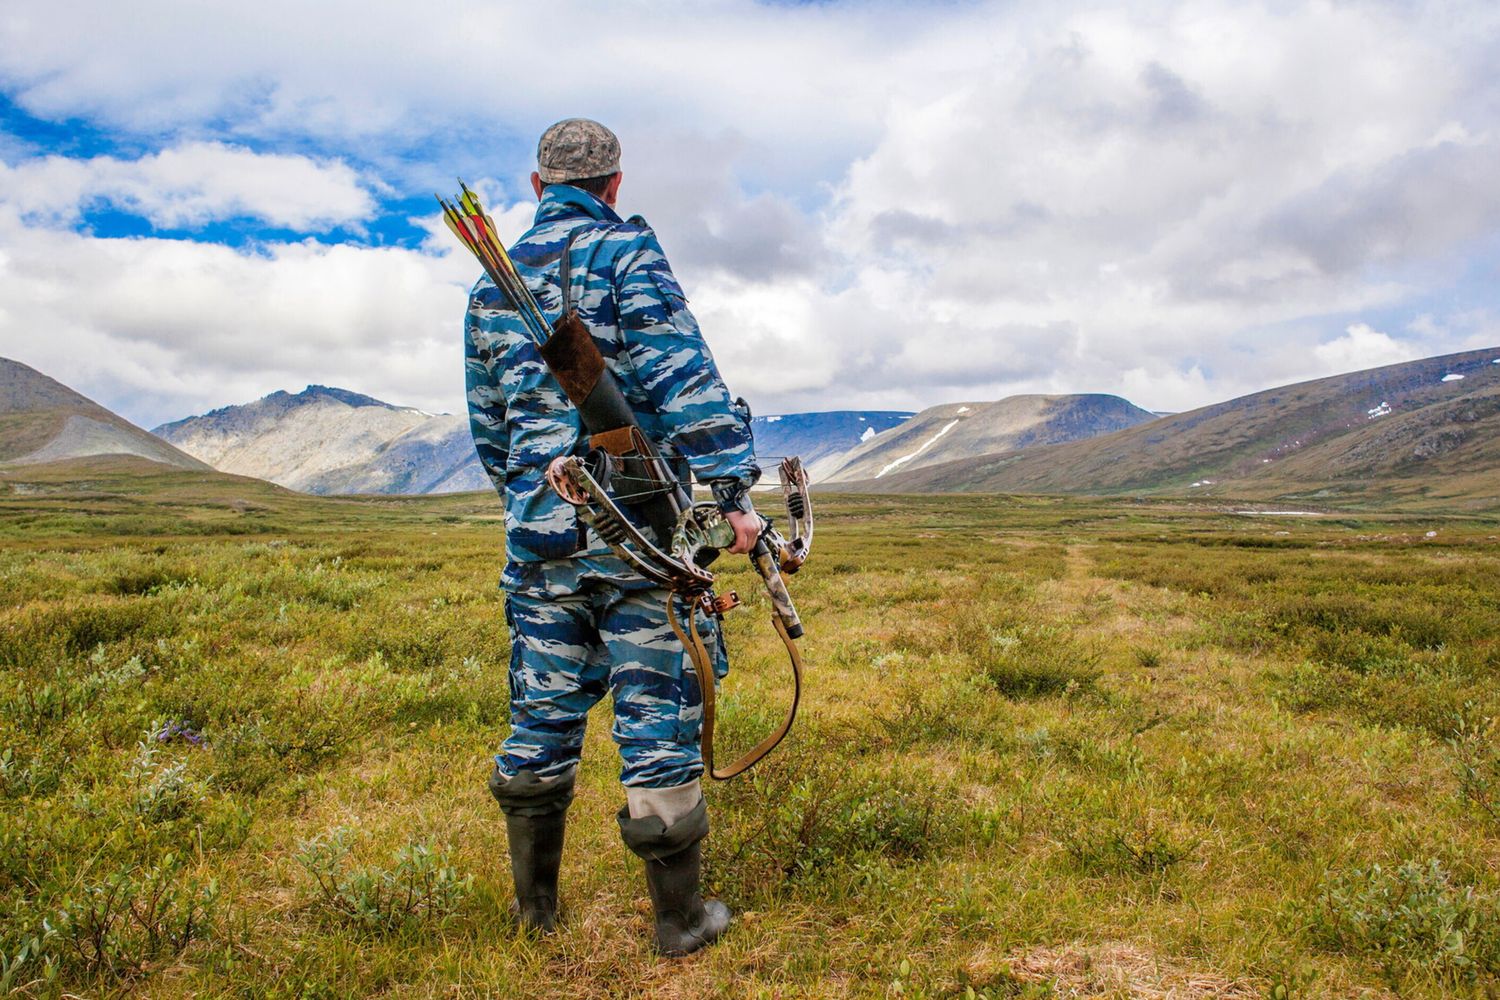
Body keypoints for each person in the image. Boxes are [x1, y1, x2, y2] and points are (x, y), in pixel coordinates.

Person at [463, 118, 760, 956]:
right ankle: (679, 922)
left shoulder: (490, 284)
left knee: (541, 713)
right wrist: (733, 492)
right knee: (657, 717)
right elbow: (683, 376)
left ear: (538, 187)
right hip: (640, 536)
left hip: (540, 536)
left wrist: (533, 502)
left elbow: (490, 425)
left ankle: (535, 914)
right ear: (615, 184)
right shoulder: (627, 253)